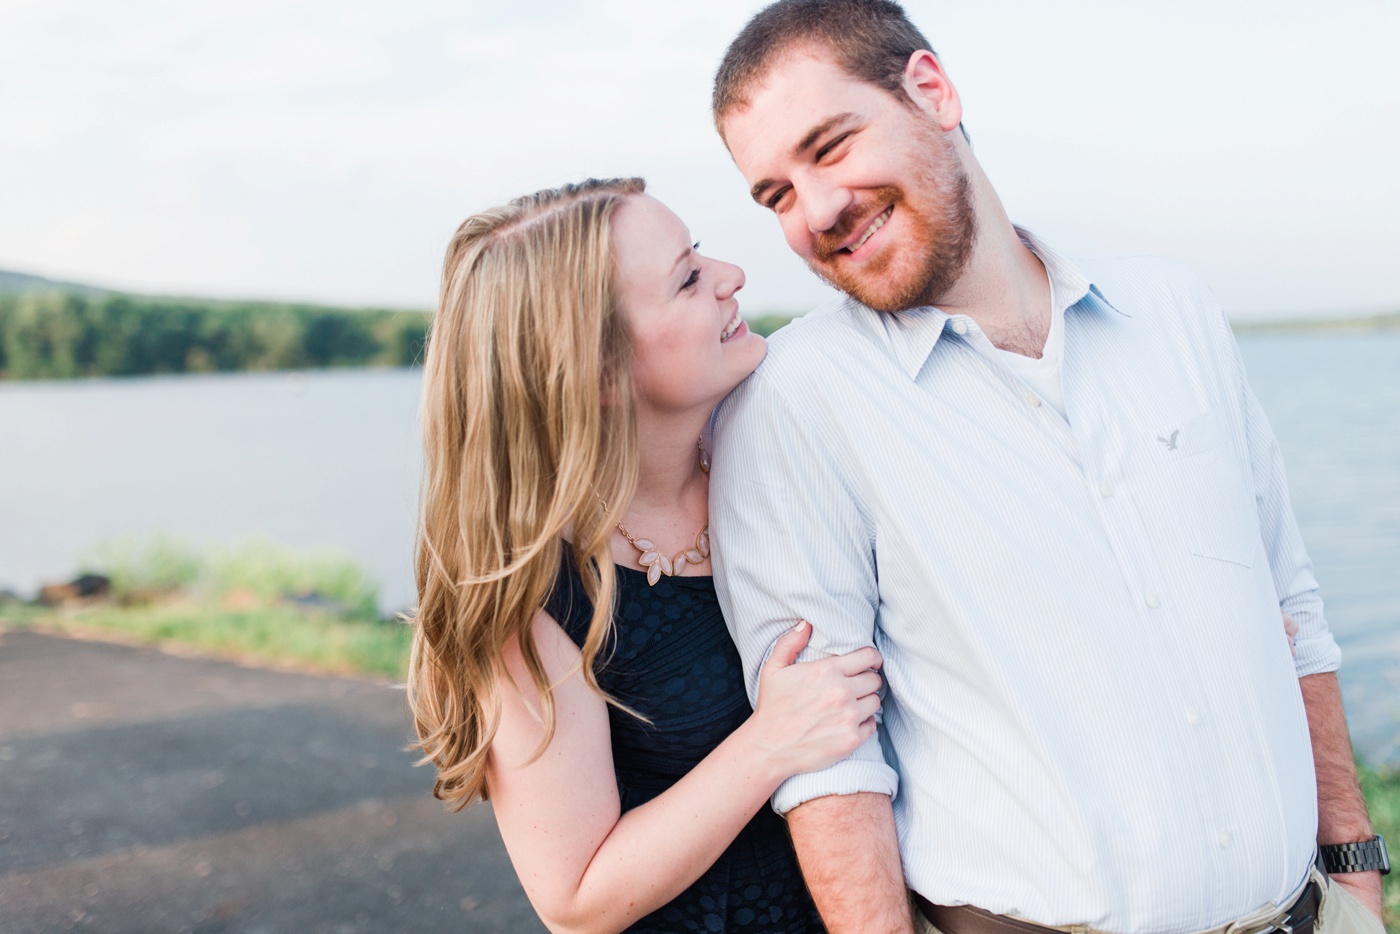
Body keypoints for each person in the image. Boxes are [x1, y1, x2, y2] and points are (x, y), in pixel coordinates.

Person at [705, 2, 1388, 933]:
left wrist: (1355, 871)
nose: (816, 212)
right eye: (776, 194)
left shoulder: (1175, 310)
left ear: (933, 92)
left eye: (829, 148)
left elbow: (1291, 610)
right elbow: (831, 766)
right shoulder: (795, 400)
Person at [405, 177, 885, 934]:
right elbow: (574, 899)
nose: (731, 276)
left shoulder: (770, 463)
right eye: (688, 278)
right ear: (597, 370)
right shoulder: (531, 600)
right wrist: (768, 744)